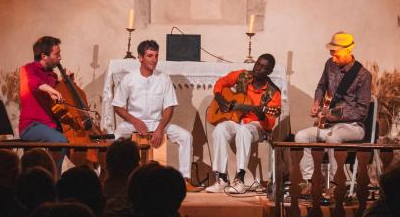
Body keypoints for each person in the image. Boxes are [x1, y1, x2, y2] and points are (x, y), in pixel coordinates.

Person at [111, 39, 198, 192]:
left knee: (185, 136)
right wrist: (135, 121)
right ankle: (116, 179)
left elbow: (169, 107)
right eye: (150, 56)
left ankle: (185, 179)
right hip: (134, 123)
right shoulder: (129, 78)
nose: (154, 60)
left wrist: (160, 128)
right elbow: (118, 106)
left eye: (156, 56)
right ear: (140, 57)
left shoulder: (163, 78)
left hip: (158, 122)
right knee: (115, 136)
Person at [294, 31, 371, 189]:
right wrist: (317, 103)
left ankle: (338, 183)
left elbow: (362, 112)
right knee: (301, 136)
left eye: (337, 55)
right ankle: (311, 180)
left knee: (332, 138)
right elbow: (321, 87)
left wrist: (332, 114)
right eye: (332, 54)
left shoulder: (363, 75)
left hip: (353, 126)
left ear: (349, 50)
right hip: (329, 125)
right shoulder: (330, 64)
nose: (333, 59)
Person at [206, 53, 281, 194]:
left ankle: (239, 178)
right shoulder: (243, 75)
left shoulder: (273, 92)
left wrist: (261, 115)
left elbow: (269, 125)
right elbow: (222, 82)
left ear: (269, 72)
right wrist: (220, 99)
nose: (258, 68)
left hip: (256, 125)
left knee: (244, 130)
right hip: (236, 120)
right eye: (258, 64)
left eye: (263, 67)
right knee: (220, 129)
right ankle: (222, 178)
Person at [19, 36, 68, 147]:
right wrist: (50, 90)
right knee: (60, 141)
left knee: (74, 142)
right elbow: (33, 82)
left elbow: (59, 100)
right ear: (44, 56)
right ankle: (50, 165)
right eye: (57, 54)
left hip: (51, 125)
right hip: (31, 126)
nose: (60, 58)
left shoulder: (52, 76)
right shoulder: (27, 69)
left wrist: (66, 84)